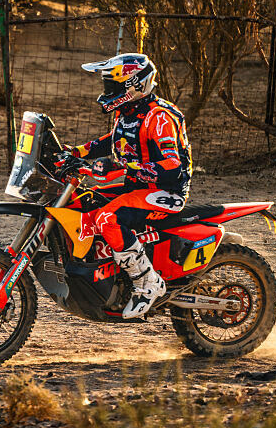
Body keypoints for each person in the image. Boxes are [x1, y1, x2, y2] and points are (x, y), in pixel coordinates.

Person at [58, 53, 192, 319]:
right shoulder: (129, 111)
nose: (108, 92)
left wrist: (122, 168)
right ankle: (109, 275)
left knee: (109, 219)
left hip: (166, 193)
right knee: (87, 202)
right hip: (138, 187)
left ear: (136, 85)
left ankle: (147, 283)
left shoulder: (159, 118)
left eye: (114, 87)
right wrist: (75, 152)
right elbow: (113, 140)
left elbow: (171, 167)